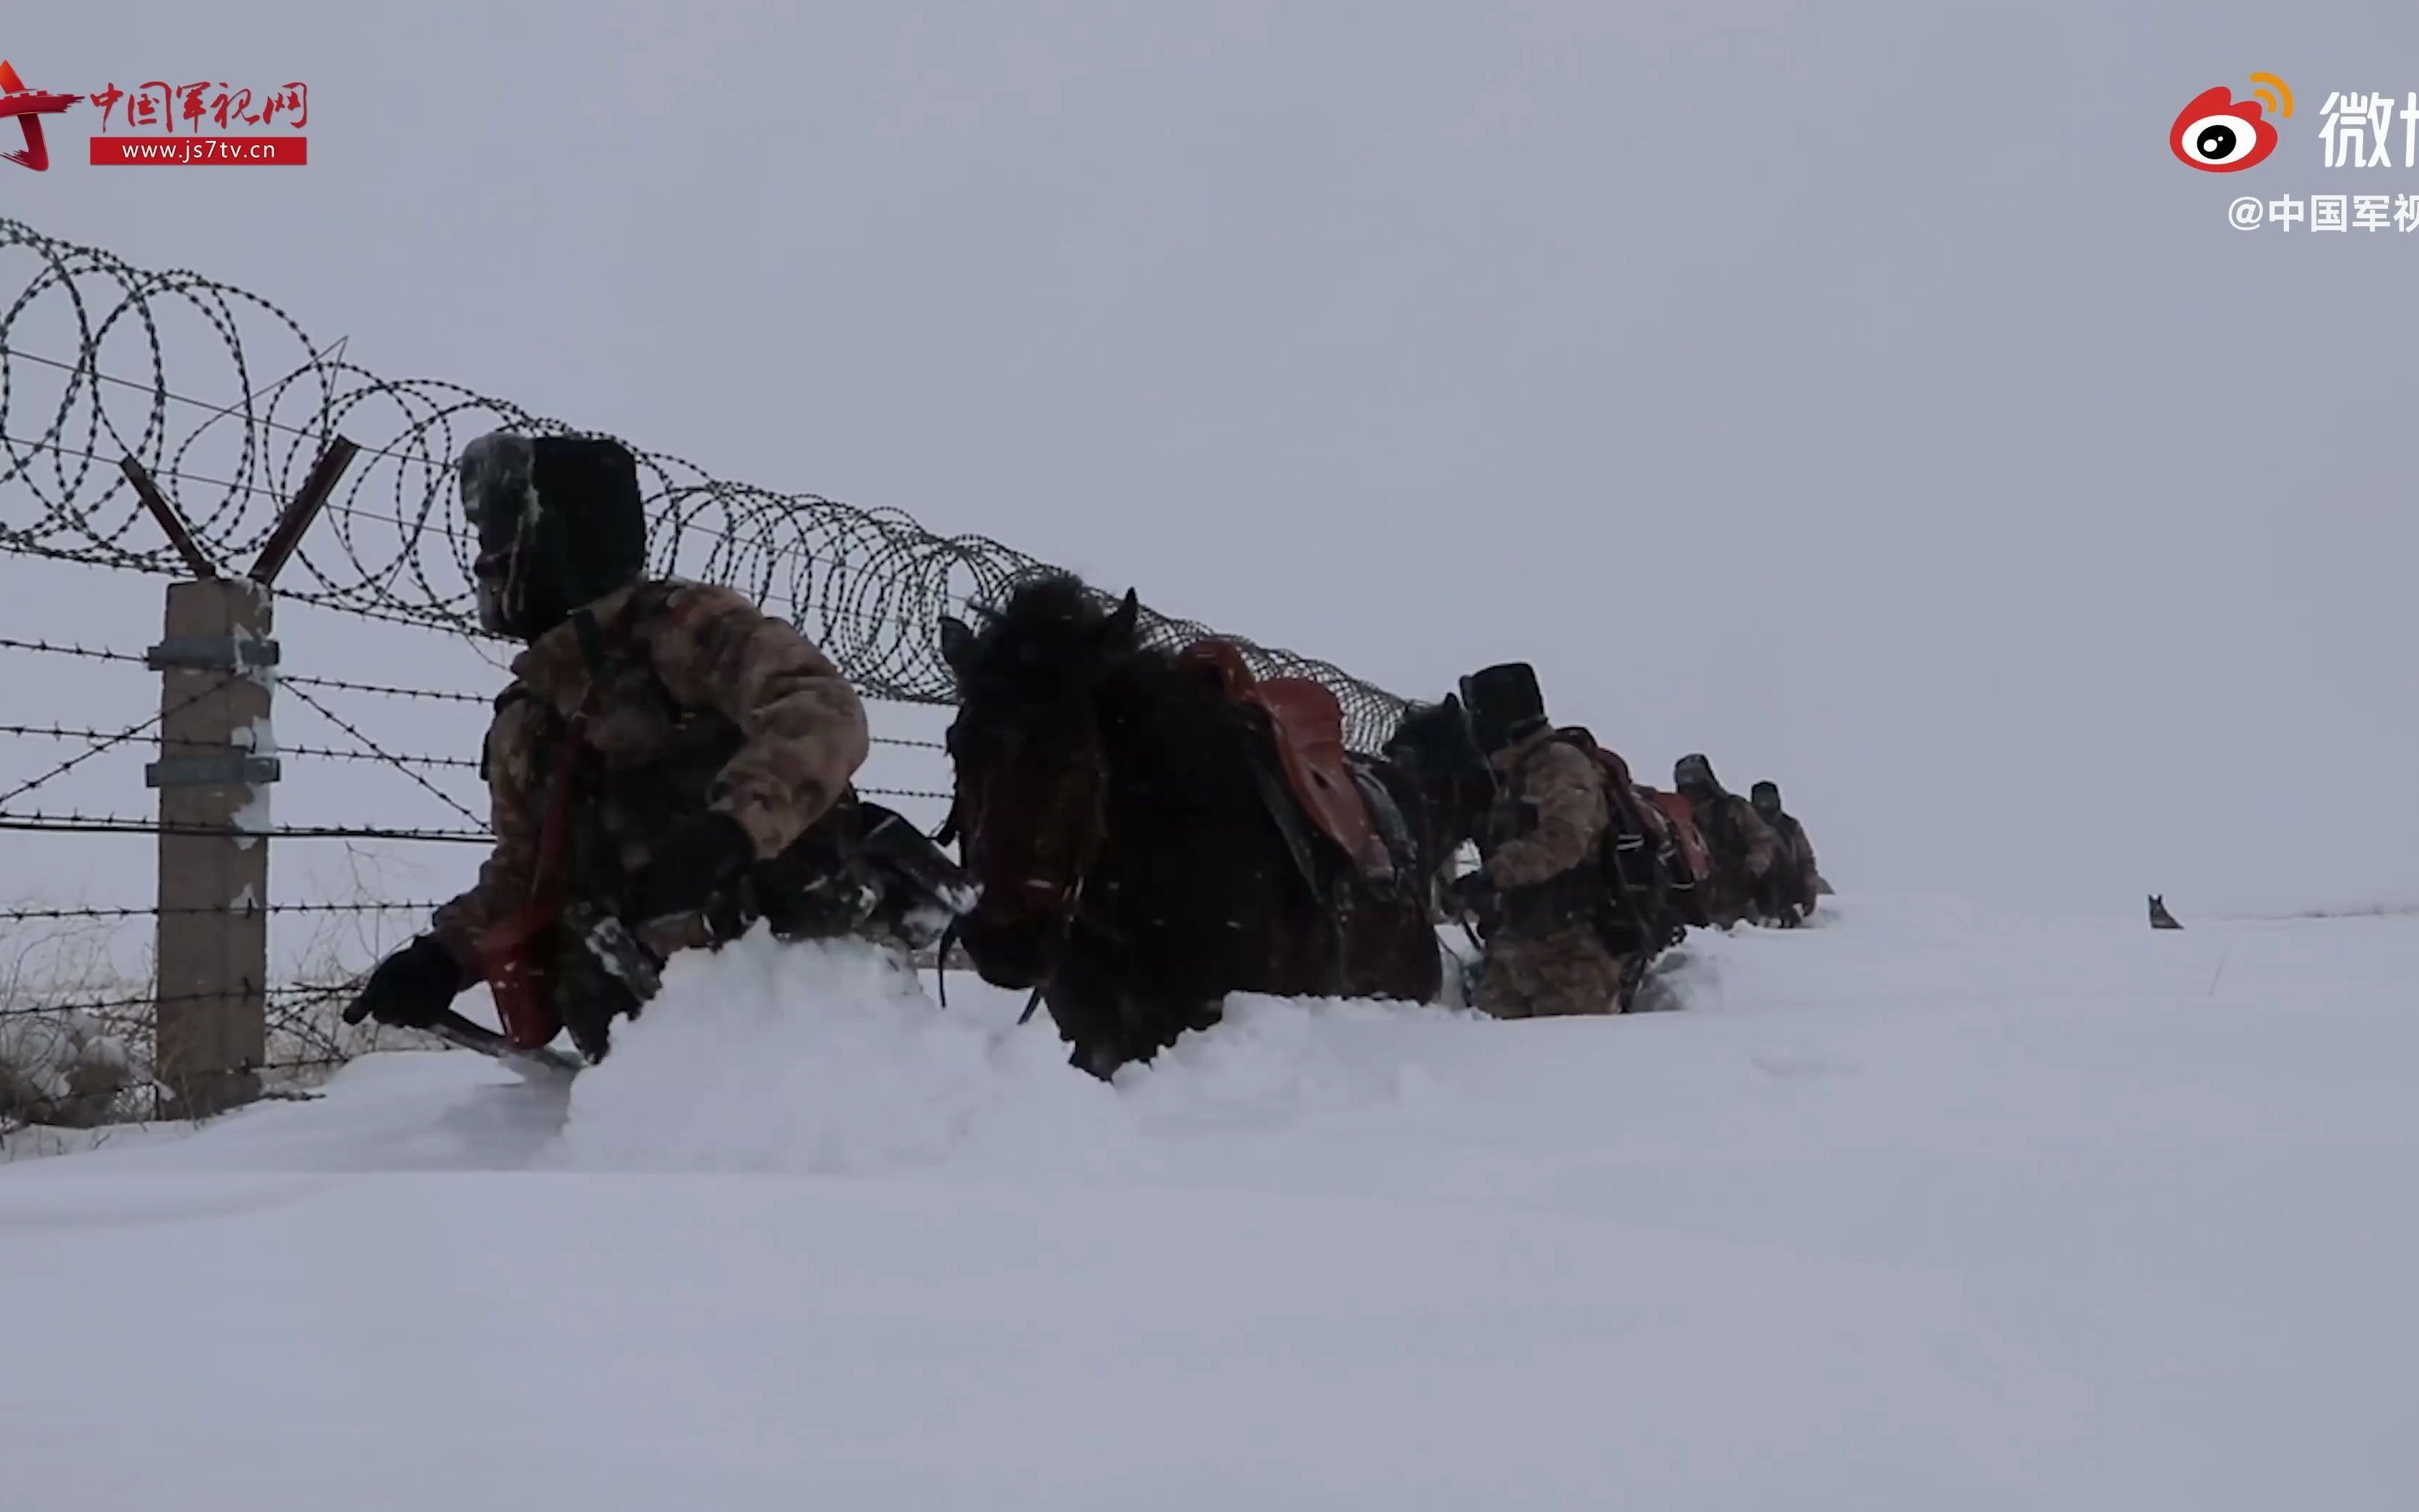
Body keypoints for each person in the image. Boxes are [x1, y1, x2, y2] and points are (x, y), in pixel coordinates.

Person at [343, 431, 939, 1062]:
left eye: (501, 538)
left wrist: (732, 830)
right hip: (645, 1063)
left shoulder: (683, 629)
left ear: (561, 537)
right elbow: (526, 873)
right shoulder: (529, 714)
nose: (486, 562)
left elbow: (822, 713)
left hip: (809, 1020)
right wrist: (443, 957)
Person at [1445, 663, 1625, 1019]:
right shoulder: (1515, 773)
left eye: (1479, 715)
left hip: (1571, 952)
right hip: (1516, 947)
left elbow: (1566, 839)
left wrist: (1493, 875)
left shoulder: (1559, 763)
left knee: (1574, 1060)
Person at [1672, 752, 1784, 928]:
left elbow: (1763, 840)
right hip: (1695, 900)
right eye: (1687, 787)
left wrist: (1753, 869)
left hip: (1738, 899)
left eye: (1697, 787)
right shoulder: (1678, 816)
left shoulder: (1733, 808)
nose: (1692, 793)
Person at [1750, 780, 1823, 923]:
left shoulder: (1790, 826)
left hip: (1789, 889)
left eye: (1768, 799)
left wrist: (1809, 891)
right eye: (1761, 799)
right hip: (1755, 890)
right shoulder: (1745, 826)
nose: (1765, 804)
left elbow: (1806, 860)